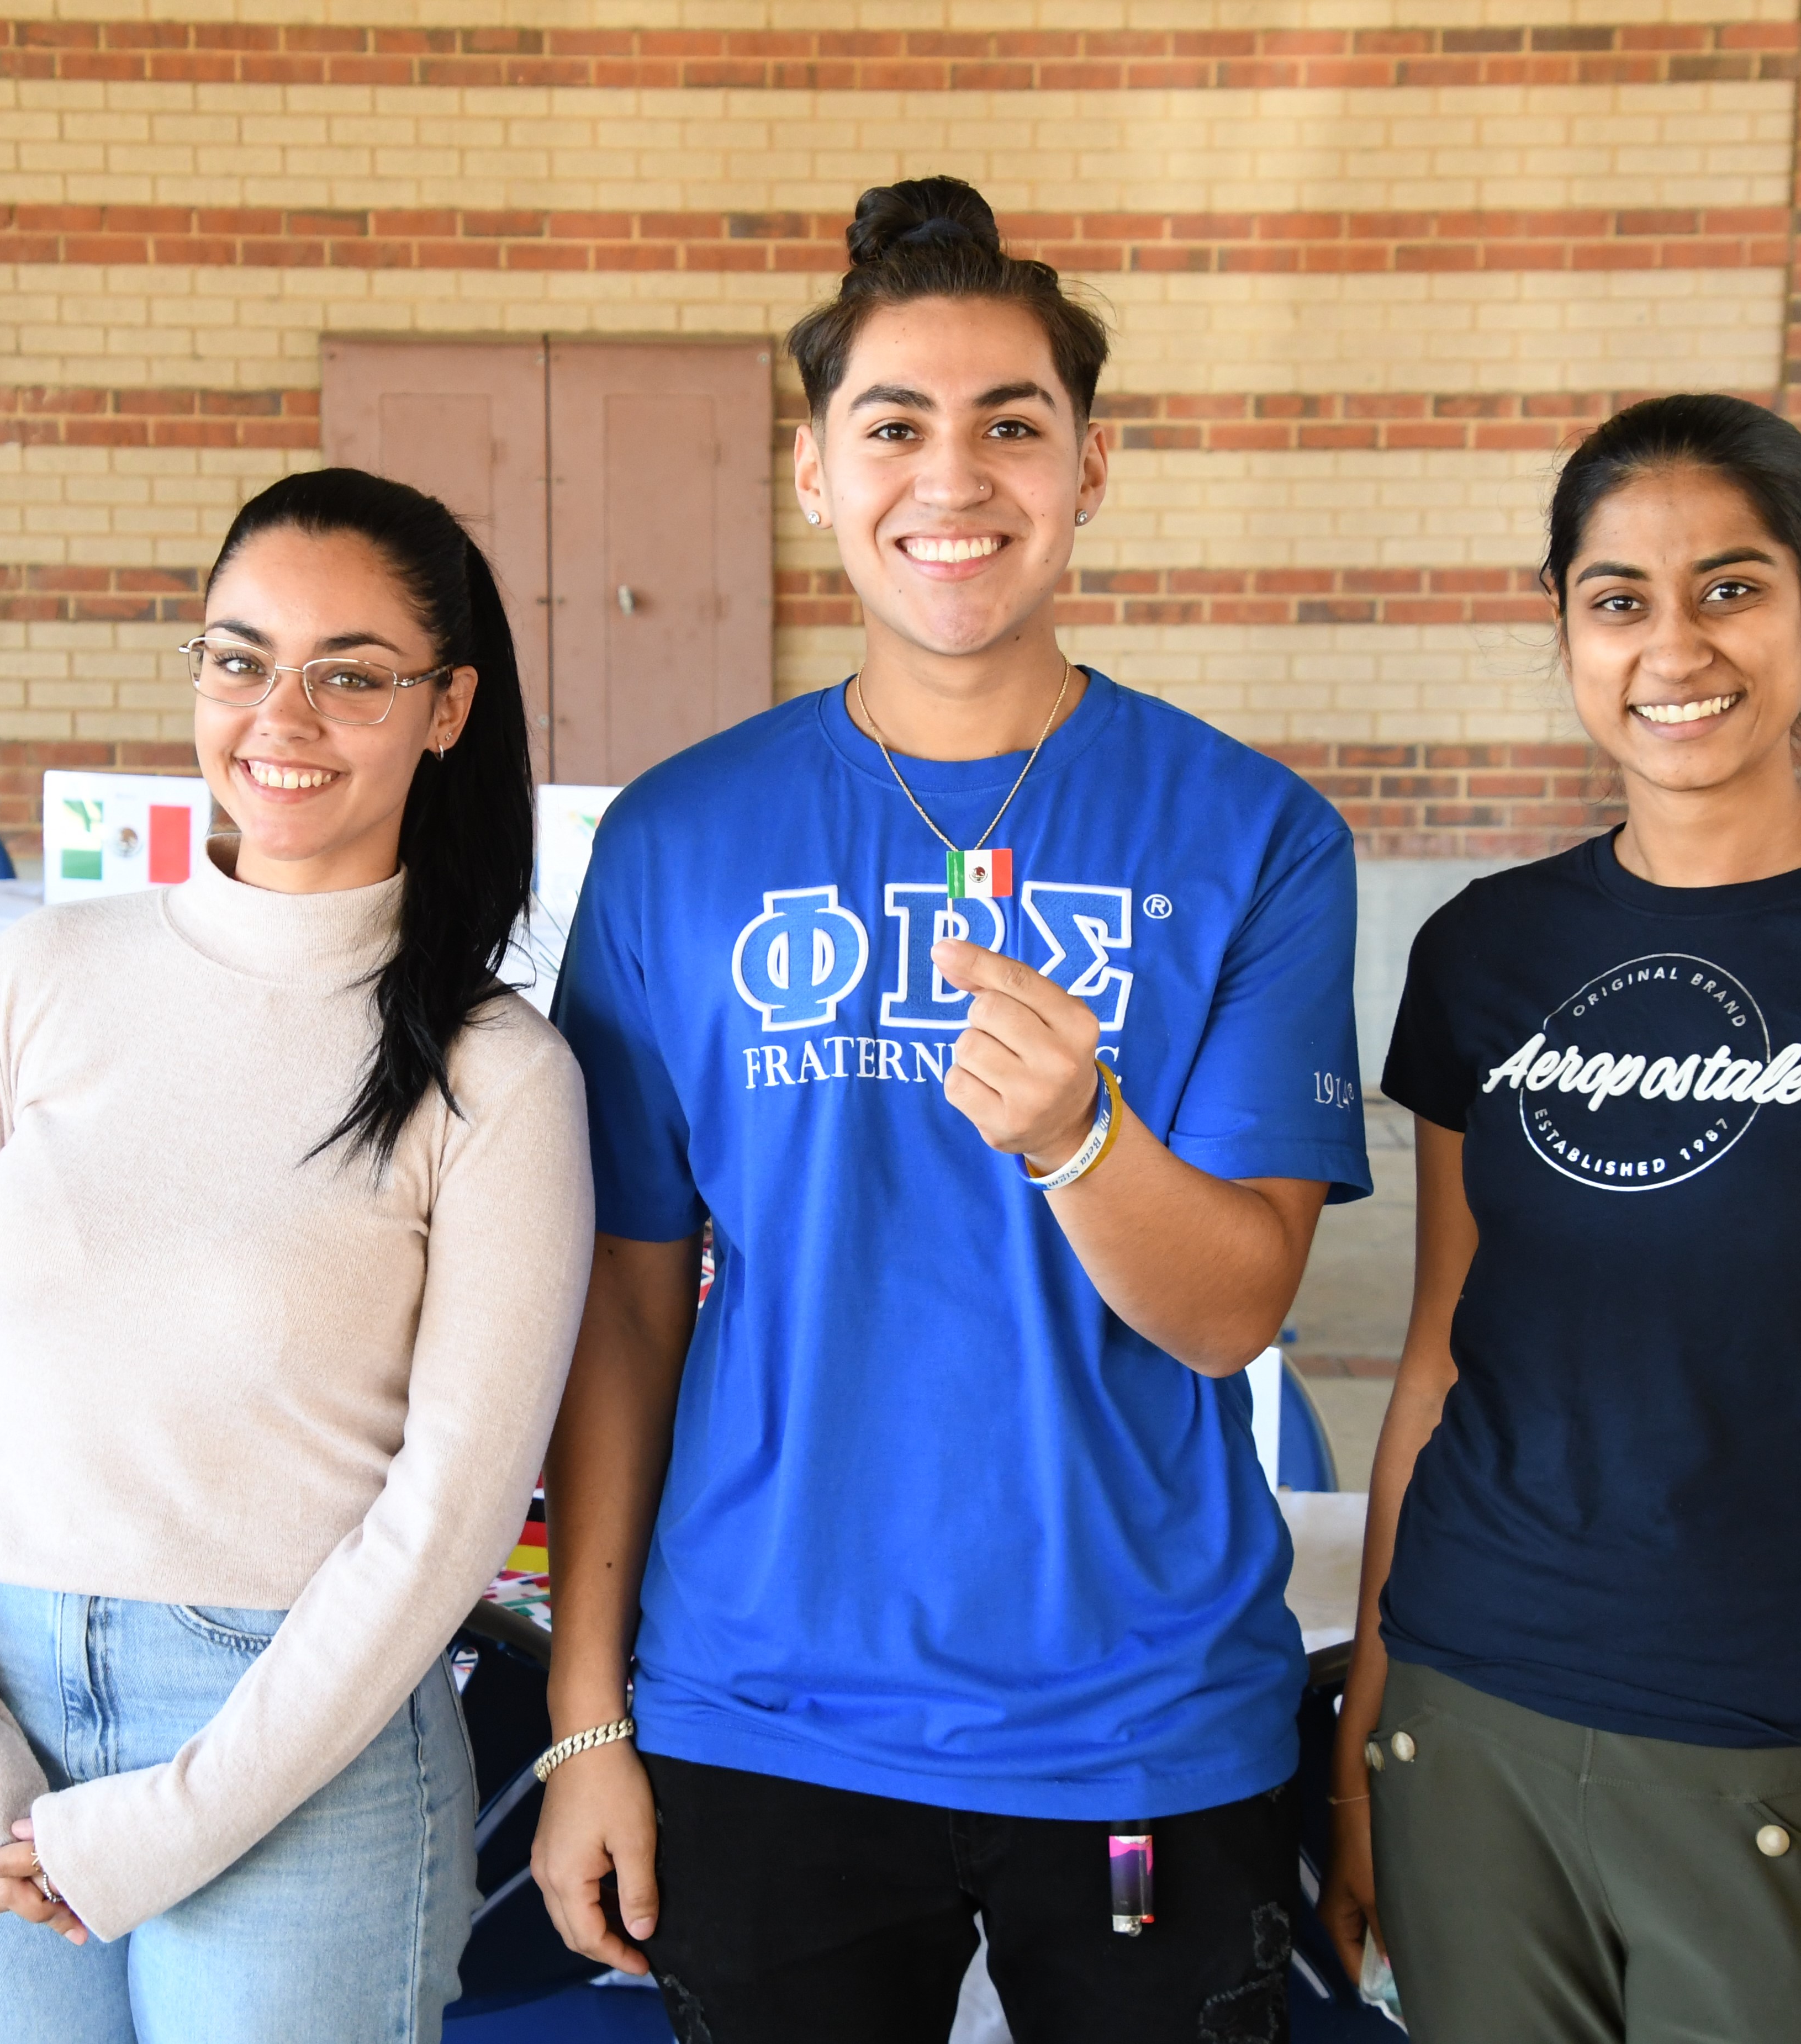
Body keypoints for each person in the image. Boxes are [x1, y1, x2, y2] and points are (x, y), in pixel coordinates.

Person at [531, 175, 1370, 2042]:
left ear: (1090, 468)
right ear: (816, 472)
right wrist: (588, 1714)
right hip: (763, 1709)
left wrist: (1085, 1142)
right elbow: (625, 1316)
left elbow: (1235, 1309)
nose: (955, 476)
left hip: (1138, 1718)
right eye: (893, 425)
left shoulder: (1252, 837)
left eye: (1015, 424)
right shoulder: (680, 841)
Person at [1316, 394, 1801, 2044]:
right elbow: (1445, 1358)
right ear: (1566, 630)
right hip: (1470, 1719)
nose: (1676, 646)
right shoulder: (1485, 953)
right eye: (1620, 600)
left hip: (1777, 1747)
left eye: (1731, 588)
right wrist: (1368, 1730)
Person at [0, 469, 594, 2042]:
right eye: (240, 657)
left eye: (354, 674)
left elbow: (448, 1518)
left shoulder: (497, 1073)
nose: (283, 715)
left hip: (297, 1749)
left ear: (446, 708)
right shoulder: (44, 976)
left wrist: (174, 1819)